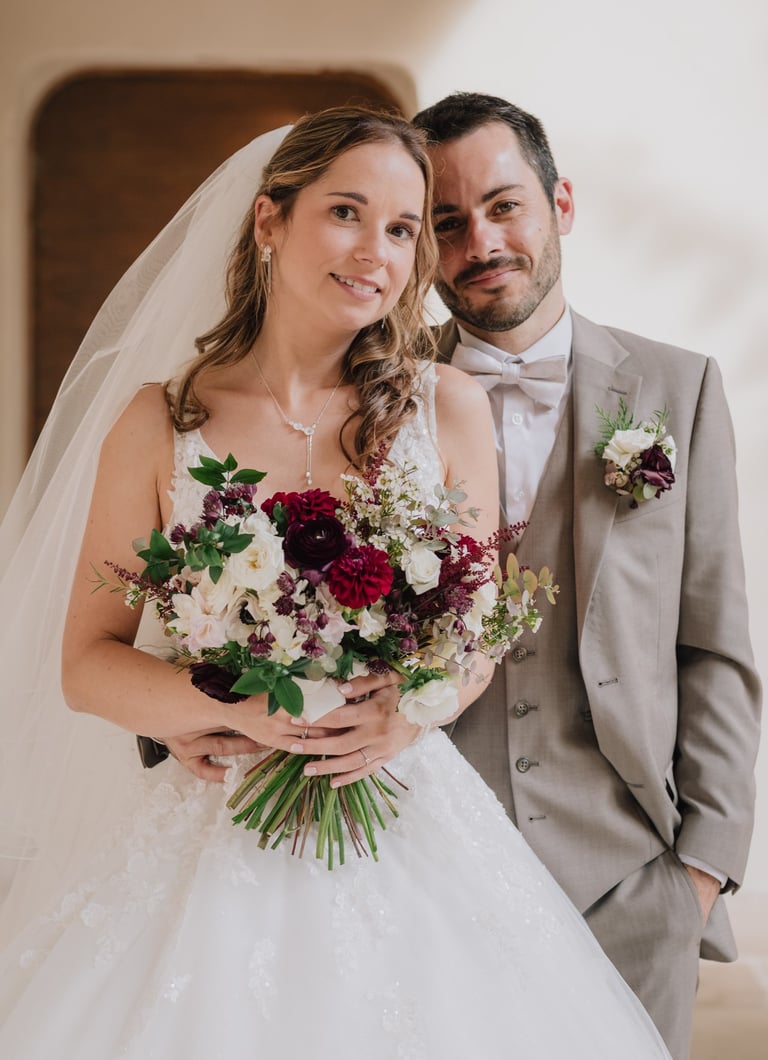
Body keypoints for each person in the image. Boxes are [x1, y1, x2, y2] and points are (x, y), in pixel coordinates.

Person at [0, 105, 675, 1059]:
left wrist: (410, 709)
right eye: (348, 213)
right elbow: (85, 663)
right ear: (271, 221)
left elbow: (475, 636)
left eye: (403, 229)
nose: (378, 253)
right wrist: (221, 703)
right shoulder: (160, 423)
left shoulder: (448, 406)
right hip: (215, 832)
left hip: (404, 819)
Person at [405, 92, 760, 1060]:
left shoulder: (678, 389)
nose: (481, 241)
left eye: (505, 204)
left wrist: (701, 871)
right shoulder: (376, 397)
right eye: (446, 221)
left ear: (561, 202)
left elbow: (715, 641)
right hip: (419, 874)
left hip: (632, 886)